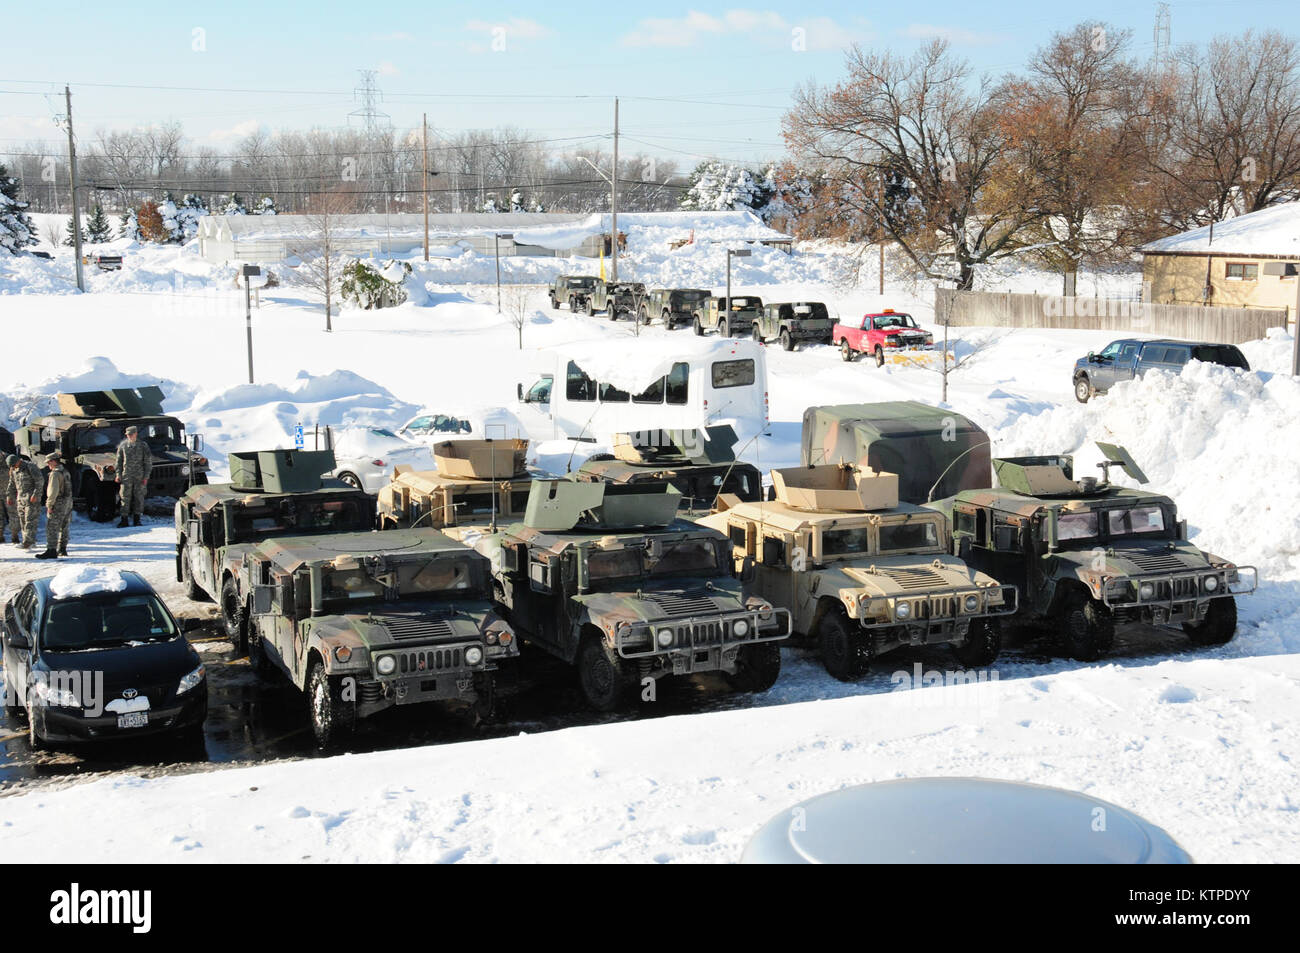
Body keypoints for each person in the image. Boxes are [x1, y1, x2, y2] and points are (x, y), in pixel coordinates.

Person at [114, 424, 152, 527]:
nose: (129, 436)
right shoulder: (123, 446)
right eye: (128, 435)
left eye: (131, 434)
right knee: (125, 498)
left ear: (136, 434)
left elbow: (147, 463)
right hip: (126, 476)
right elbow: (118, 462)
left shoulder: (143, 446)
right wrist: (118, 475)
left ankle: (137, 519)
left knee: (139, 498)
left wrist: (146, 477)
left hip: (139, 477)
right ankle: (124, 519)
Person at [36, 451, 72, 559]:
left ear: (53, 461)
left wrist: (49, 505)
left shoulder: (55, 474)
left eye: (48, 462)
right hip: (68, 502)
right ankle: (62, 548)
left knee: (52, 526)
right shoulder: (65, 472)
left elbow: (53, 491)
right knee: (64, 526)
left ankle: (51, 550)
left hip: (58, 502)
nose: (48, 465)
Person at [7, 454, 42, 550]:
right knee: (23, 521)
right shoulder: (14, 469)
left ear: (18, 461)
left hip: (31, 499)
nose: (14, 467)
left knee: (30, 521)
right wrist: (9, 496)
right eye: (12, 466)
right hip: (20, 499)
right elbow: (12, 483)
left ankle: (28, 542)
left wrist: (36, 494)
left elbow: (39, 481)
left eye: (14, 465)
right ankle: (27, 541)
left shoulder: (30, 467)